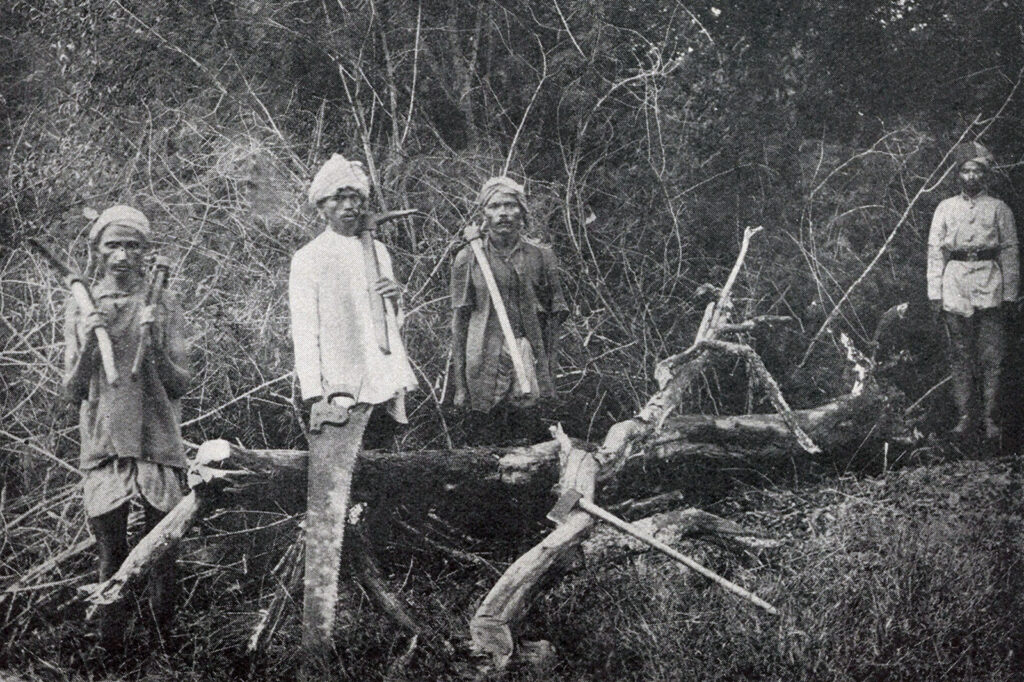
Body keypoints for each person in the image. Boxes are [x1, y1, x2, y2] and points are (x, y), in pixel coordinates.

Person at [288, 154, 418, 653]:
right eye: (338, 198)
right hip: (340, 387)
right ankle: (337, 583)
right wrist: (316, 394)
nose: (348, 206)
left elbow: (388, 324)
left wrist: (394, 297)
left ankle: (376, 569)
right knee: (339, 486)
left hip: (381, 380)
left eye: (355, 198)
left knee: (380, 476)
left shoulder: (377, 250)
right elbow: (305, 332)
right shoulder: (309, 258)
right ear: (322, 205)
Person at [62, 205, 190, 654]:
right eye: (112, 245)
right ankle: (110, 650)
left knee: (163, 550)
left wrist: (153, 345)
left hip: (157, 439)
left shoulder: (163, 303)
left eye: (132, 246)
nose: (122, 255)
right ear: (97, 250)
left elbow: (181, 384)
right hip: (105, 441)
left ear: (145, 251)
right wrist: (89, 346)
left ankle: (164, 653)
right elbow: (72, 391)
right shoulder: (82, 305)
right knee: (111, 551)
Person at [450, 176, 569, 444]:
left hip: (527, 356)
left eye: (510, 205)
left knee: (527, 438)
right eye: (494, 206)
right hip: (483, 359)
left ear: (522, 211)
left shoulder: (541, 256)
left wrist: (549, 373)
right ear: (484, 213)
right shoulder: (468, 258)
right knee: (484, 440)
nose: (503, 213)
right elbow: (460, 322)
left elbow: (554, 318)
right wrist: (460, 386)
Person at [927, 141, 1018, 441]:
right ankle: (964, 417)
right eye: (965, 171)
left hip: (990, 284)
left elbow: (1009, 252)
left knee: (992, 356)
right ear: (958, 175)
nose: (971, 177)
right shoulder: (945, 208)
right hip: (955, 285)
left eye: (977, 171)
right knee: (960, 354)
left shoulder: (999, 208)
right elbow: (935, 252)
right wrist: (935, 293)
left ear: (985, 175)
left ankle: (991, 419)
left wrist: (1010, 295)